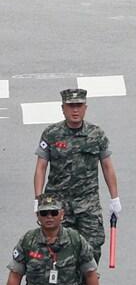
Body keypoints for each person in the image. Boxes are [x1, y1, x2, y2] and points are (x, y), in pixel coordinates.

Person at [33, 88, 119, 263]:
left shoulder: (96, 134)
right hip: (58, 206)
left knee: (92, 251)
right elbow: (41, 167)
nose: (75, 110)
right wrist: (38, 198)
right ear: (63, 108)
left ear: (85, 108)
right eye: (70, 106)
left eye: (79, 105)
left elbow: (107, 167)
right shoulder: (51, 134)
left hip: (88, 205)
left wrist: (114, 198)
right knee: (58, 253)